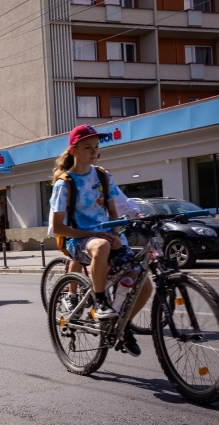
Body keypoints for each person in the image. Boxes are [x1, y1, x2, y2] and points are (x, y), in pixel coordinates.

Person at [50, 125, 150, 357]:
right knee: (101, 246)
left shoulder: (103, 176)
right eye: (88, 147)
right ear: (74, 150)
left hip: (106, 237)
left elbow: (113, 212)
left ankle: (122, 327)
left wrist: (115, 234)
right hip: (78, 241)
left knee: (144, 285)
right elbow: (58, 227)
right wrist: (94, 236)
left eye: (96, 147)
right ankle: (101, 301)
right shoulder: (65, 183)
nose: (94, 151)